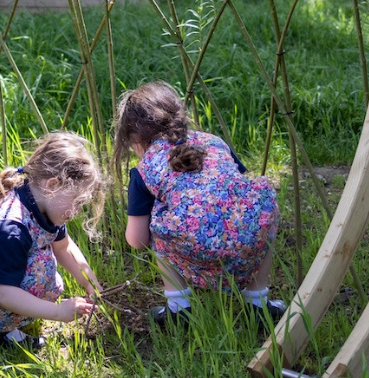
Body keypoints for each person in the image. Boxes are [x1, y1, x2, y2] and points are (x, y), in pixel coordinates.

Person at [113, 82, 280, 328]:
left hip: (201, 246)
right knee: (257, 208)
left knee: (159, 223)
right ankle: (258, 303)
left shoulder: (144, 170)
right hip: (252, 236)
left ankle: (178, 309)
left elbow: (136, 240)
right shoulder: (213, 141)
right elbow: (238, 187)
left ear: (135, 139)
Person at [0, 132, 105, 348]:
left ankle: (8, 319)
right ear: (52, 185)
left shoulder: (44, 206)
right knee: (41, 272)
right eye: (75, 201)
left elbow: (64, 246)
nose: (76, 210)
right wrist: (59, 312)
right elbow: (3, 293)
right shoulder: (11, 226)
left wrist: (91, 285)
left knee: (46, 273)